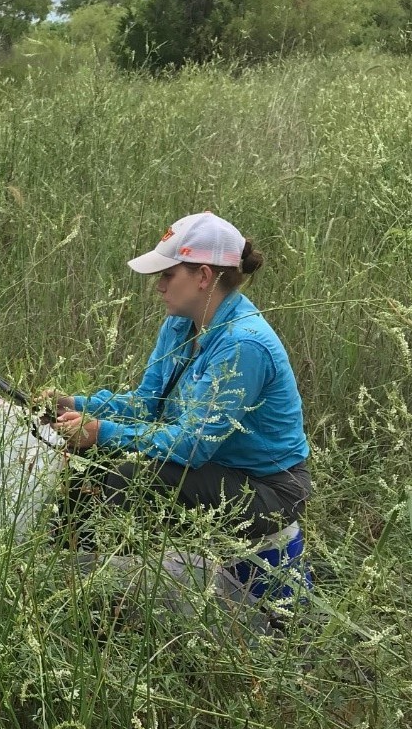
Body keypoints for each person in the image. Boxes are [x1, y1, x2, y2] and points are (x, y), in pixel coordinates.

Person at [48, 211, 311, 546]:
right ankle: (73, 569)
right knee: (87, 462)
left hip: (267, 489)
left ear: (203, 276)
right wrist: (73, 404)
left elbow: (192, 446)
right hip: (218, 470)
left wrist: (101, 431)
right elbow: (148, 404)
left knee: (129, 477)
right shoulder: (180, 324)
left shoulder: (242, 344)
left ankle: (122, 583)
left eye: (168, 275)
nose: (159, 286)